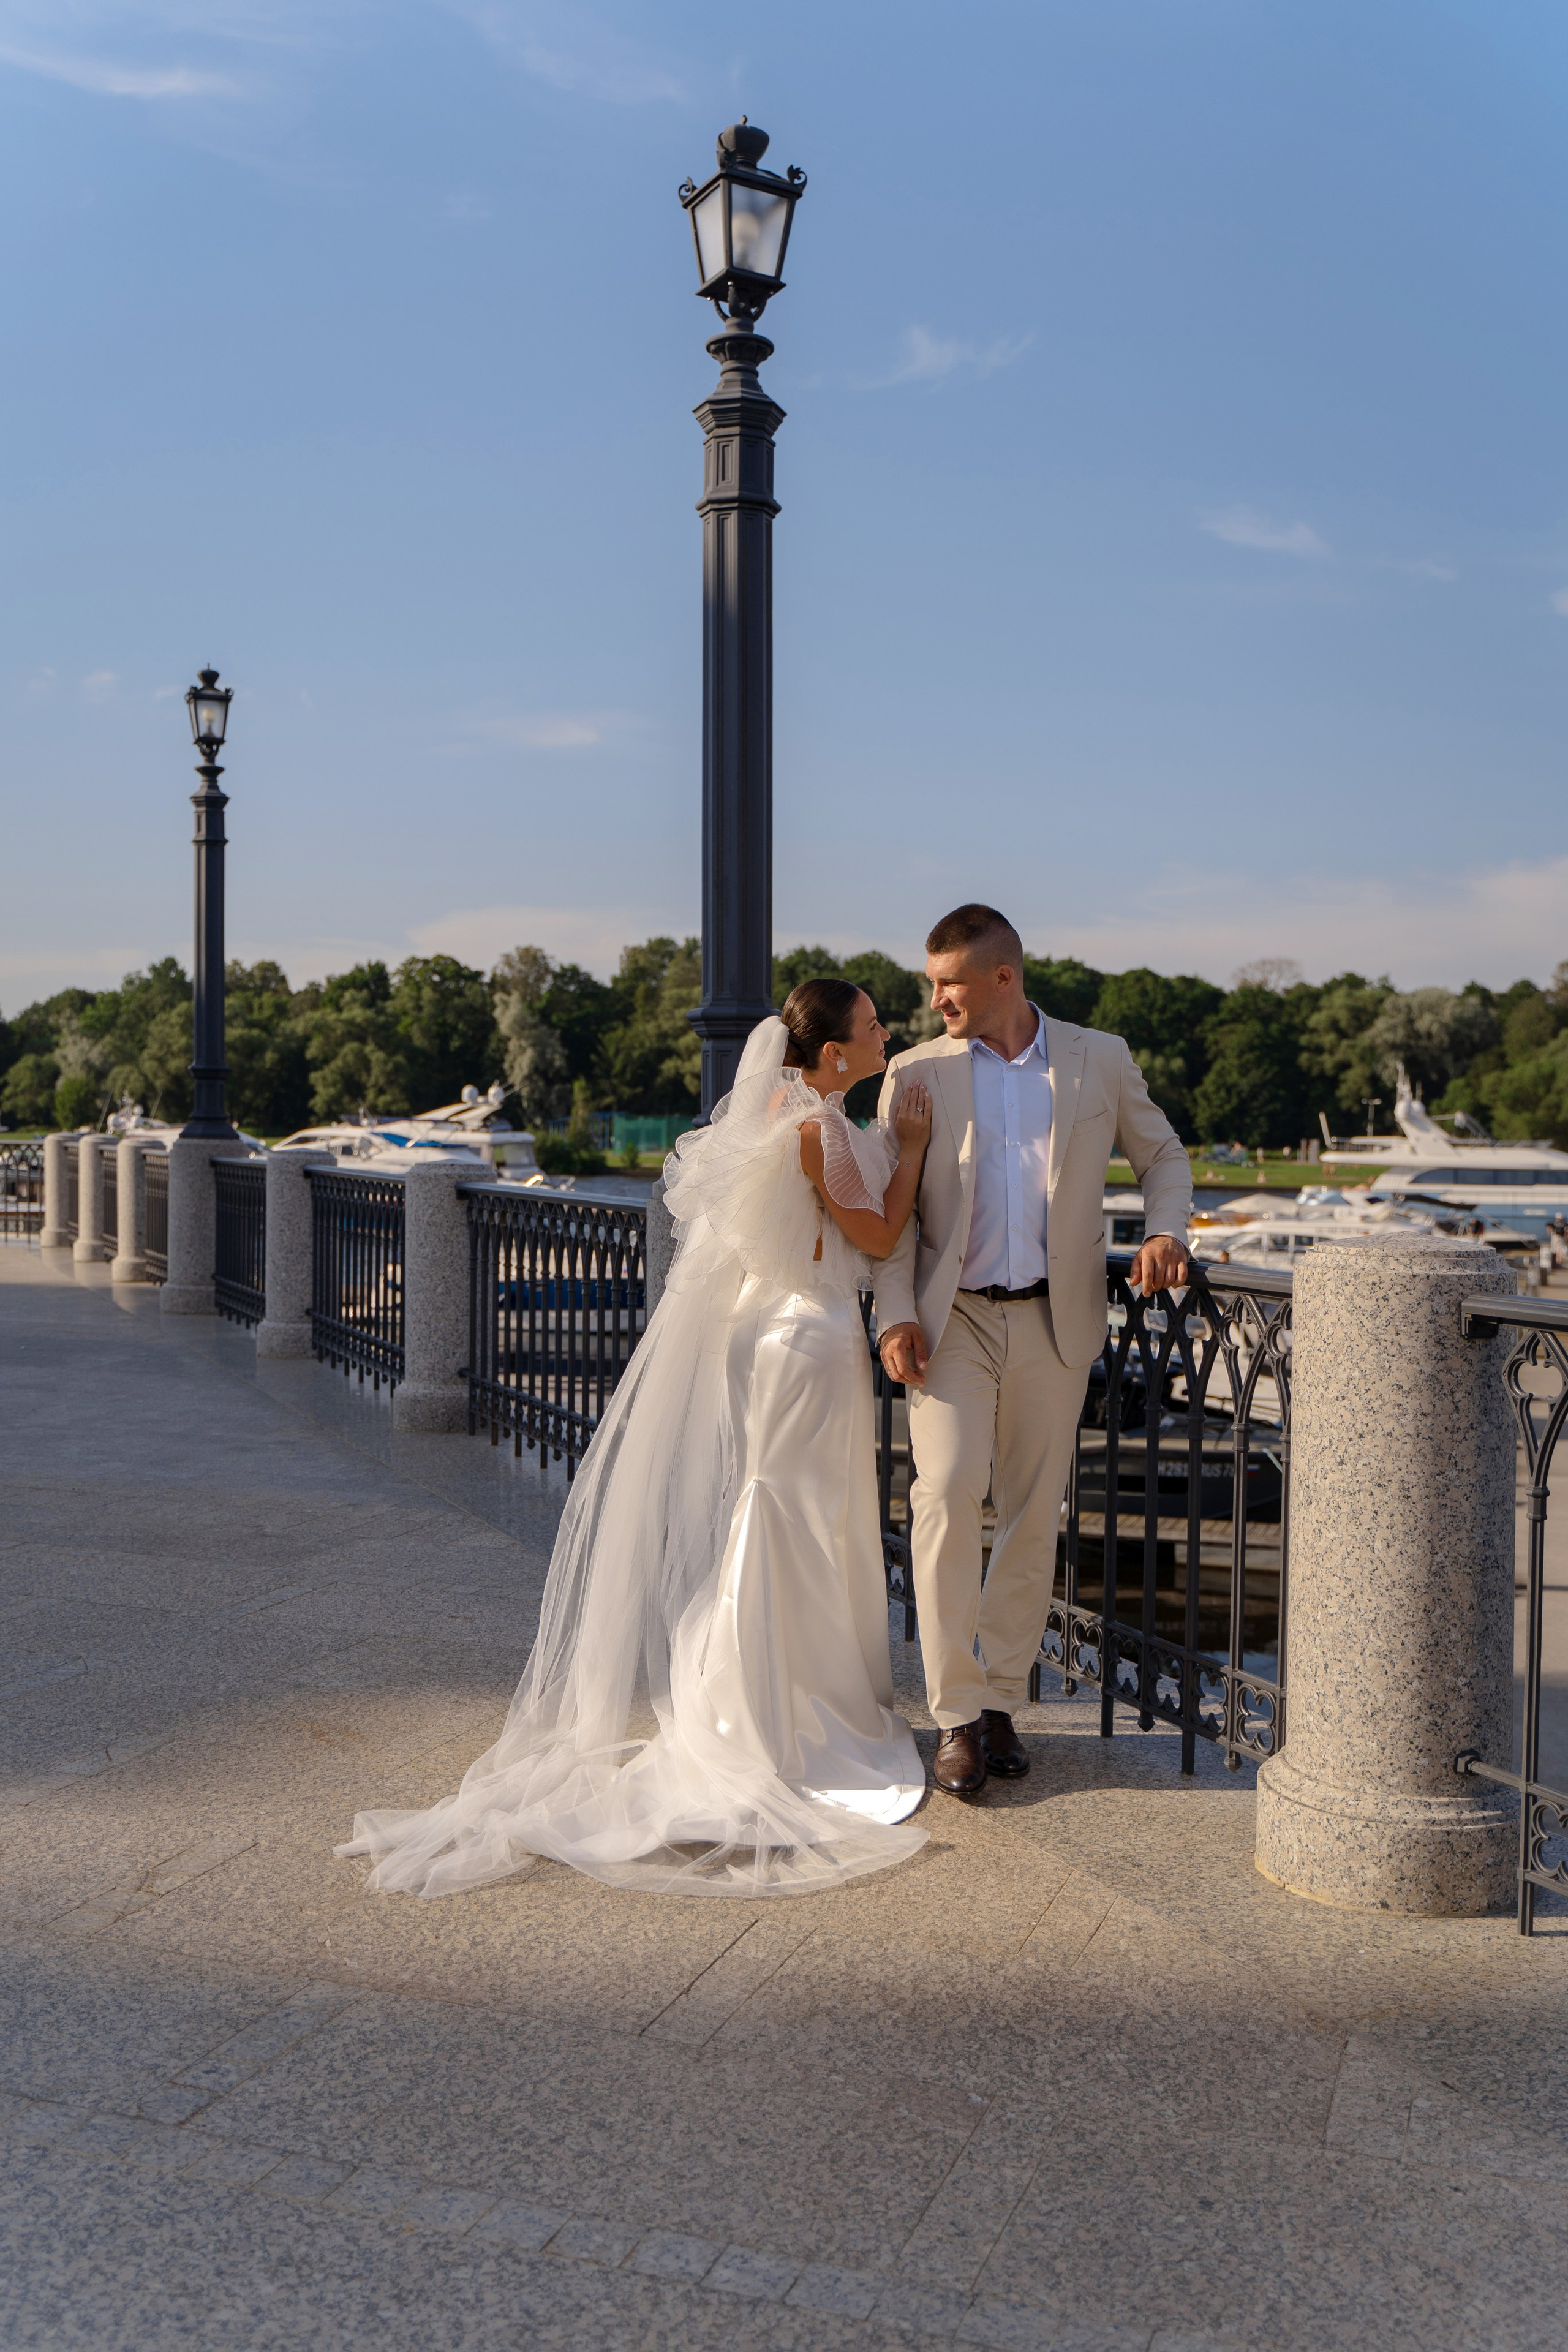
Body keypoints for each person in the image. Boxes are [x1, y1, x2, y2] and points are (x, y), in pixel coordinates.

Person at [337, 981, 935, 1899]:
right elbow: (879, 1229)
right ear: (834, 1054)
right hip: (805, 1341)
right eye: (871, 1024)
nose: (885, 1030)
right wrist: (918, 1151)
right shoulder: (815, 1129)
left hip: (763, 1331)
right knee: (798, 1520)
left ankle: (754, 1701)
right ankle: (783, 1716)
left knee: (769, 1512)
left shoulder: (777, 1114)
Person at [872, 903, 1192, 1796]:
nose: (936, 999)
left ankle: (1003, 1699)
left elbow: (1163, 1158)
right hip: (952, 1321)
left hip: (1059, 1319)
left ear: (1003, 979)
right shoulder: (914, 1071)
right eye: (932, 983)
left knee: (1028, 1514)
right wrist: (893, 1311)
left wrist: (1168, 1233)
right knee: (943, 1495)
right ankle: (954, 1717)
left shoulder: (1100, 1058)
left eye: (950, 984)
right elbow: (894, 1220)